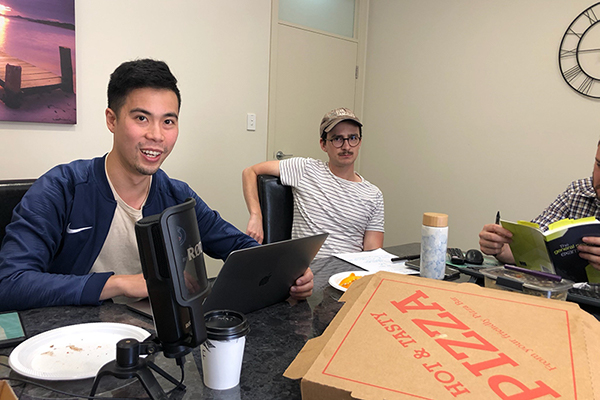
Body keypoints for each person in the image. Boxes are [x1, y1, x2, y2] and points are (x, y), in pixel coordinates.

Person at [0, 59, 313, 311]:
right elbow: (10, 283)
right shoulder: (60, 188)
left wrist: (289, 272)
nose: (157, 135)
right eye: (141, 118)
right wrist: (120, 283)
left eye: (168, 121)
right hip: (74, 340)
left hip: (156, 339)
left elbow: (241, 249)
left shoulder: (177, 196)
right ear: (112, 119)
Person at [242, 107, 384, 258]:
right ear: (323, 144)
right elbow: (250, 172)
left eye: (353, 138)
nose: (346, 146)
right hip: (307, 269)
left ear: (360, 142)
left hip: (350, 271)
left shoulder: (373, 195)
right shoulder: (305, 169)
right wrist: (256, 216)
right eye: (337, 139)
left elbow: (372, 256)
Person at [479, 141, 600, 273]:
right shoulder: (578, 192)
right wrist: (501, 248)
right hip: (561, 285)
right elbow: (534, 244)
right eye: (599, 165)